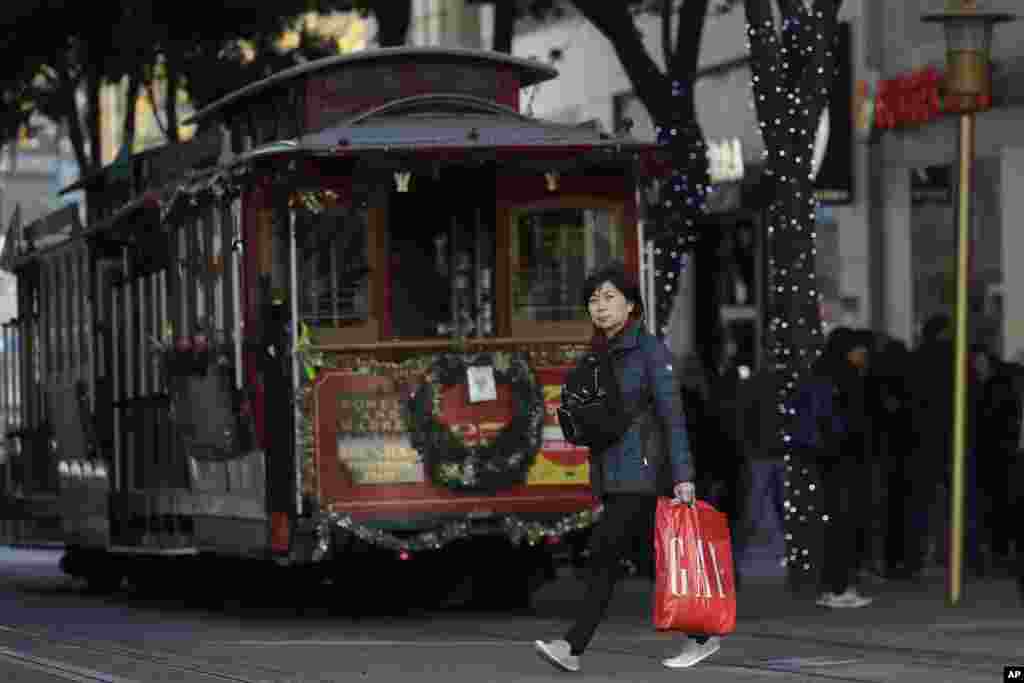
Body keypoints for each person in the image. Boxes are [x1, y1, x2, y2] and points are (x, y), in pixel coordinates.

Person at [534, 263, 719, 673]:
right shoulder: (598, 354)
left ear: (631, 305)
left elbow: (673, 415)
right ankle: (702, 636)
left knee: (605, 555)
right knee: (651, 558)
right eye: (593, 300)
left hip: (643, 470)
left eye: (609, 298)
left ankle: (572, 647)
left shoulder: (650, 351)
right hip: (611, 470)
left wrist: (684, 475)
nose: (599, 308)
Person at [789, 327, 874, 608]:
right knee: (842, 521)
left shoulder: (823, 372)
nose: (864, 355)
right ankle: (837, 587)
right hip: (841, 457)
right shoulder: (844, 378)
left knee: (836, 520)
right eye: (859, 350)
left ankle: (833, 585)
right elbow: (850, 422)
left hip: (826, 457)